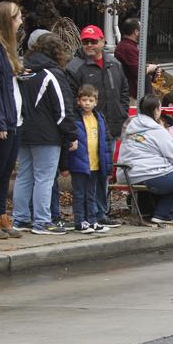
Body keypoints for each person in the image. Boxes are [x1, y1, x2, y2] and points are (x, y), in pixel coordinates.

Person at [12, 33, 78, 236]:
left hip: (22, 131)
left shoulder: (22, 70)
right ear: (56, 50)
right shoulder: (52, 73)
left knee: (24, 176)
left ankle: (20, 219)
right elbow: (63, 108)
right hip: (46, 134)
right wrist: (71, 133)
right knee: (44, 178)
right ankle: (42, 221)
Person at [65, 24, 128, 227]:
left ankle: (100, 213)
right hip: (87, 132)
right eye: (86, 41)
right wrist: (77, 130)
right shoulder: (75, 67)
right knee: (88, 174)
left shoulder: (114, 64)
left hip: (110, 128)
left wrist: (122, 112)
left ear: (103, 41)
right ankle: (90, 215)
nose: (90, 45)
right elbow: (70, 101)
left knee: (103, 172)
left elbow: (124, 90)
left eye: (94, 41)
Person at [117, 94, 173, 226]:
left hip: (127, 174)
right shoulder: (156, 130)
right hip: (148, 174)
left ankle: (161, 214)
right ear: (156, 110)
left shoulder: (130, 127)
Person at [0, 1, 23, 240]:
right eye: (17, 18)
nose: (21, 22)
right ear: (7, 21)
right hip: (2, 121)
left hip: (14, 119)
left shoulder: (6, 50)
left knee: (5, 173)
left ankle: (1, 214)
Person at [66, 85, 112, 234]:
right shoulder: (75, 118)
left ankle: (92, 220)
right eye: (84, 100)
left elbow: (105, 141)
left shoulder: (99, 117)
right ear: (78, 101)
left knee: (92, 194)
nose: (87, 103)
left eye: (90, 100)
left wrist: (107, 164)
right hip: (79, 163)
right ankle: (80, 221)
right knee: (80, 193)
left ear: (96, 102)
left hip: (95, 162)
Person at [113, 17, 160, 100]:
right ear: (136, 32)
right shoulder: (128, 48)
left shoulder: (127, 46)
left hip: (137, 95)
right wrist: (150, 68)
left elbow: (133, 68)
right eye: (141, 30)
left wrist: (152, 72)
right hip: (134, 97)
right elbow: (137, 72)